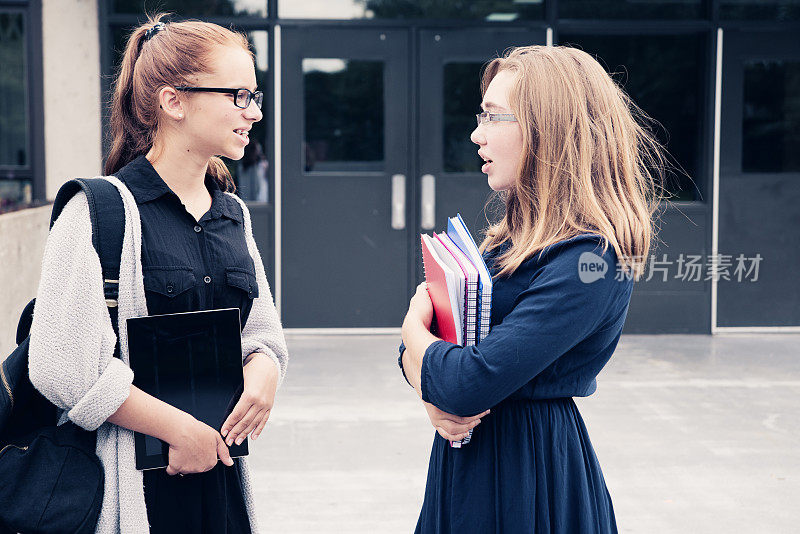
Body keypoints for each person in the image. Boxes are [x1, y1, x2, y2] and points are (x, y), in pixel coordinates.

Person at [28, 13, 288, 533]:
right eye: (238, 95)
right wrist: (178, 431)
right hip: (133, 489)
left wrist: (265, 372)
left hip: (220, 476)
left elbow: (261, 330)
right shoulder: (99, 212)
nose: (253, 112)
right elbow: (60, 365)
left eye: (255, 97)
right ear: (173, 102)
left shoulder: (232, 214)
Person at [400, 45, 665, 533]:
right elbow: (441, 368)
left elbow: (466, 380)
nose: (477, 134)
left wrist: (412, 326)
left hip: (530, 473)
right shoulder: (510, 241)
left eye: (494, 117)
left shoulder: (591, 259)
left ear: (551, 131)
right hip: (471, 463)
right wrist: (433, 398)